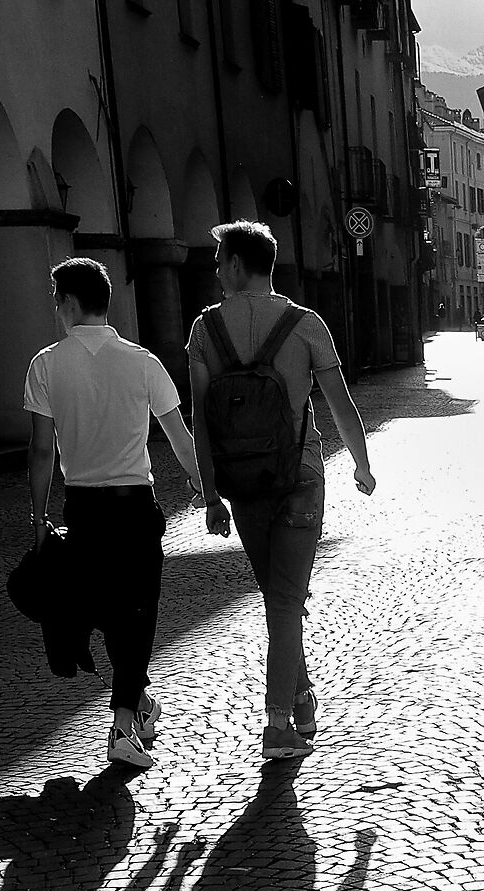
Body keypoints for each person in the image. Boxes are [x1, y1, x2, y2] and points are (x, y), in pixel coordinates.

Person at [188, 220, 377, 762]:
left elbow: (202, 420)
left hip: (243, 486)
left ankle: (299, 696)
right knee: (286, 600)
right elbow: (340, 403)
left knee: (279, 596)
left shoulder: (205, 331)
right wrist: (361, 465)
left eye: (220, 260)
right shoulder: (306, 325)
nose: (216, 270)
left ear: (236, 266)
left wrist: (208, 495)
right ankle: (276, 723)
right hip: (298, 477)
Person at [25, 257, 204, 771]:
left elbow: (41, 452)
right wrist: (204, 489)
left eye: (57, 301)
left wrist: (39, 521)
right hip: (135, 509)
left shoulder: (46, 364)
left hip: (81, 507)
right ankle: (127, 720)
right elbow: (178, 437)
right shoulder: (143, 362)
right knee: (136, 612)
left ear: (71, 303)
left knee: (106, 608)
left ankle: (130, 711)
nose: (56, 310)